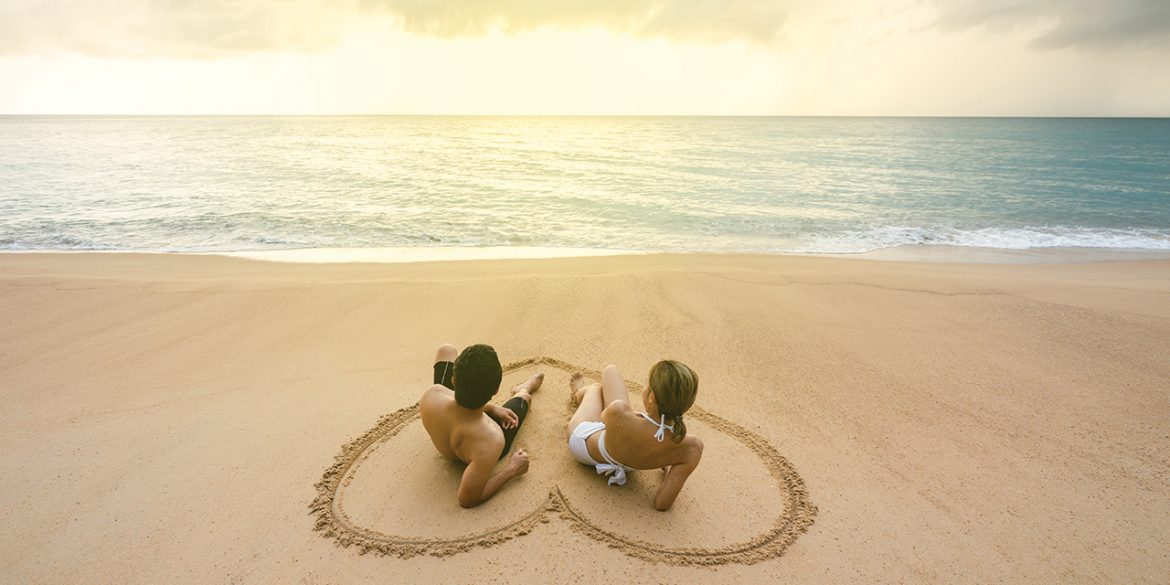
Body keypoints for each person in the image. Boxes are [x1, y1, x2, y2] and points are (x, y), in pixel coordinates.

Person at [565, 360, 703, 511]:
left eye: (646, 386)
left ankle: (579, 393)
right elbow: (662, 504)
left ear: (652, 398)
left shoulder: (619, 411)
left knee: (596, 389)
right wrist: (668, 464)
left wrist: (633, 418)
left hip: (584, 445)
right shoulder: (693, 447)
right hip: (628, 462)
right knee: (611, 373)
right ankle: (585, 395)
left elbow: (603, 419)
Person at [420, 343, 543, 508]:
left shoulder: (432, 394)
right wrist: (512, 470)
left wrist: (491, 409)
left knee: (446, 350)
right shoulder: (493, 439)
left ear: (453, 380)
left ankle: (522, 389)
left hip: (445, 424)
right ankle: (523, 390)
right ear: (496, 390)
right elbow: (467, 498)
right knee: (524, 399)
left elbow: (457, 402)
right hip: (478, 447)